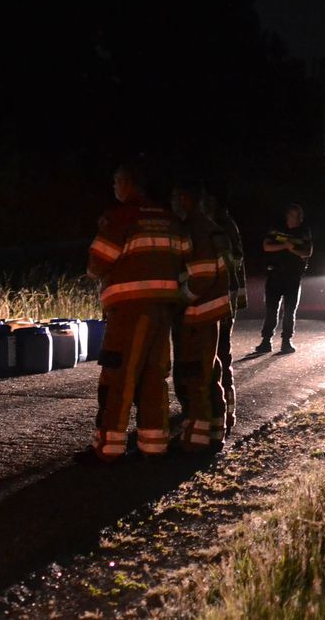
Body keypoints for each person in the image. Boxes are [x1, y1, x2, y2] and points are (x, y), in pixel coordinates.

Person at [78, 158, 192, 464]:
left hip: (128, 311)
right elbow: (185, 259)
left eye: (116, 181)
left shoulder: (120, 217)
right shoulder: (169, 219)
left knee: (119, 376)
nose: (113, 187)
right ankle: (154, 446)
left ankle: (108, 448)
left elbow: (97, 263)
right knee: (155, 376)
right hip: (163, 310)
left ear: (128, 184)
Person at [171, 181, 232, 450]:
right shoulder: (211, 227)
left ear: (185, 198)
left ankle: (195, 441)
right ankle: (215, 432)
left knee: (194, 375)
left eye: (175, 198)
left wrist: (180, 299)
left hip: (197, 313)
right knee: (210, 372)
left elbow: (202, 275)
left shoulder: (195, 229)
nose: (173, 203)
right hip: (212, 313)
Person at [202, 186, 245, 433]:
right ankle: (224, 408)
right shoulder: (223, 225)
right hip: (224, 295)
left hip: (223, 296)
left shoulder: (222, 228)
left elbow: (232, 263)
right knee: (220, 352)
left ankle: (226, 409)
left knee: (221, 352)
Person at [255, 204, 311, 354]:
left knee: (289, 310)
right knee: (271, 309)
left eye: (300, 216)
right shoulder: (277, 229)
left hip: (293, 276)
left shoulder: (304, 232)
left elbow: (307, 252)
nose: (299, 218)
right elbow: (266, 246)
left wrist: (292, 248)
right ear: (288, 216)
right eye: (295, 215)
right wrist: (285, 245)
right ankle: (266, 340)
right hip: (275, 274)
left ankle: (286, 341)